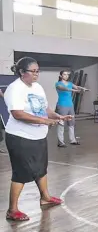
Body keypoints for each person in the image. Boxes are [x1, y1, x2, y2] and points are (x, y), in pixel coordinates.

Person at [4, 57, 73, 221]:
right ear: (22, 72)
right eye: (32, 71)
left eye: (37, 71)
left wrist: (58, 116)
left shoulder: (38, 87)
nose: (36, 74)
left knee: (41, 169)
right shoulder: (15, 89)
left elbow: (45, 108)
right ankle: (12, 210)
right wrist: (44, 121)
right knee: (21, 173)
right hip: (20, 137)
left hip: (38, 136)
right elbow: (17, 113)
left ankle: (45, 198)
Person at [55, 70, 87, 147]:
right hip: (62, 105)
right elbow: (63, 88)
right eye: (64, 74)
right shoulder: (58, 84)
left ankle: (72, 140)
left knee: (71, 123)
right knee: (61, 123)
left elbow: (76, 87)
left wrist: (82, 88)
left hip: (70, 105)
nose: (66, 76)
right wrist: (72, 90)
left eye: (67, 75)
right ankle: (61, 142)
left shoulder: (70, 83)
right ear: (60, 76)